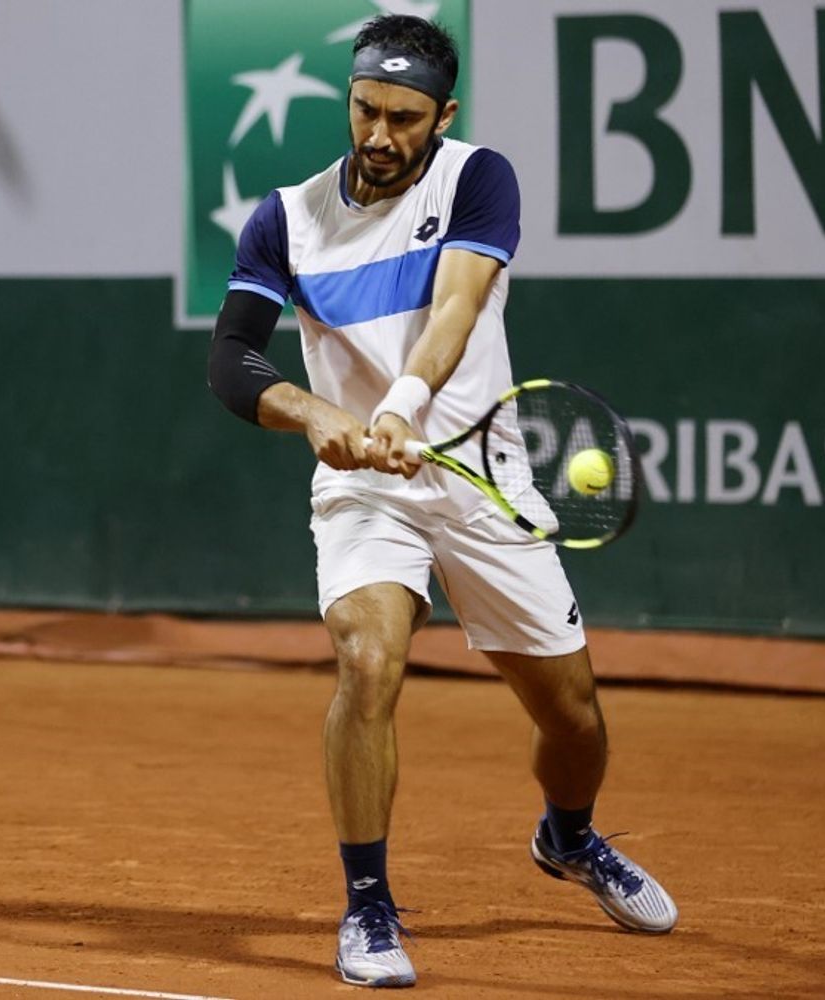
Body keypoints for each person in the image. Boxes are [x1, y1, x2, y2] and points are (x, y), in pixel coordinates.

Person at [205, 15, 676, 988]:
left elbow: (456, 309)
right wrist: (311, 411)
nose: (380, 135)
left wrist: (403, 405)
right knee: (367, 659)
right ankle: (369, 908)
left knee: (574, 719)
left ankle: (570, 835)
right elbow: (231, 358)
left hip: (481, 475)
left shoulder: (477, 177)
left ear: (442, 115)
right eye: (367, 110)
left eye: (404, 118)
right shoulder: (285, 217)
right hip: (365, 488)